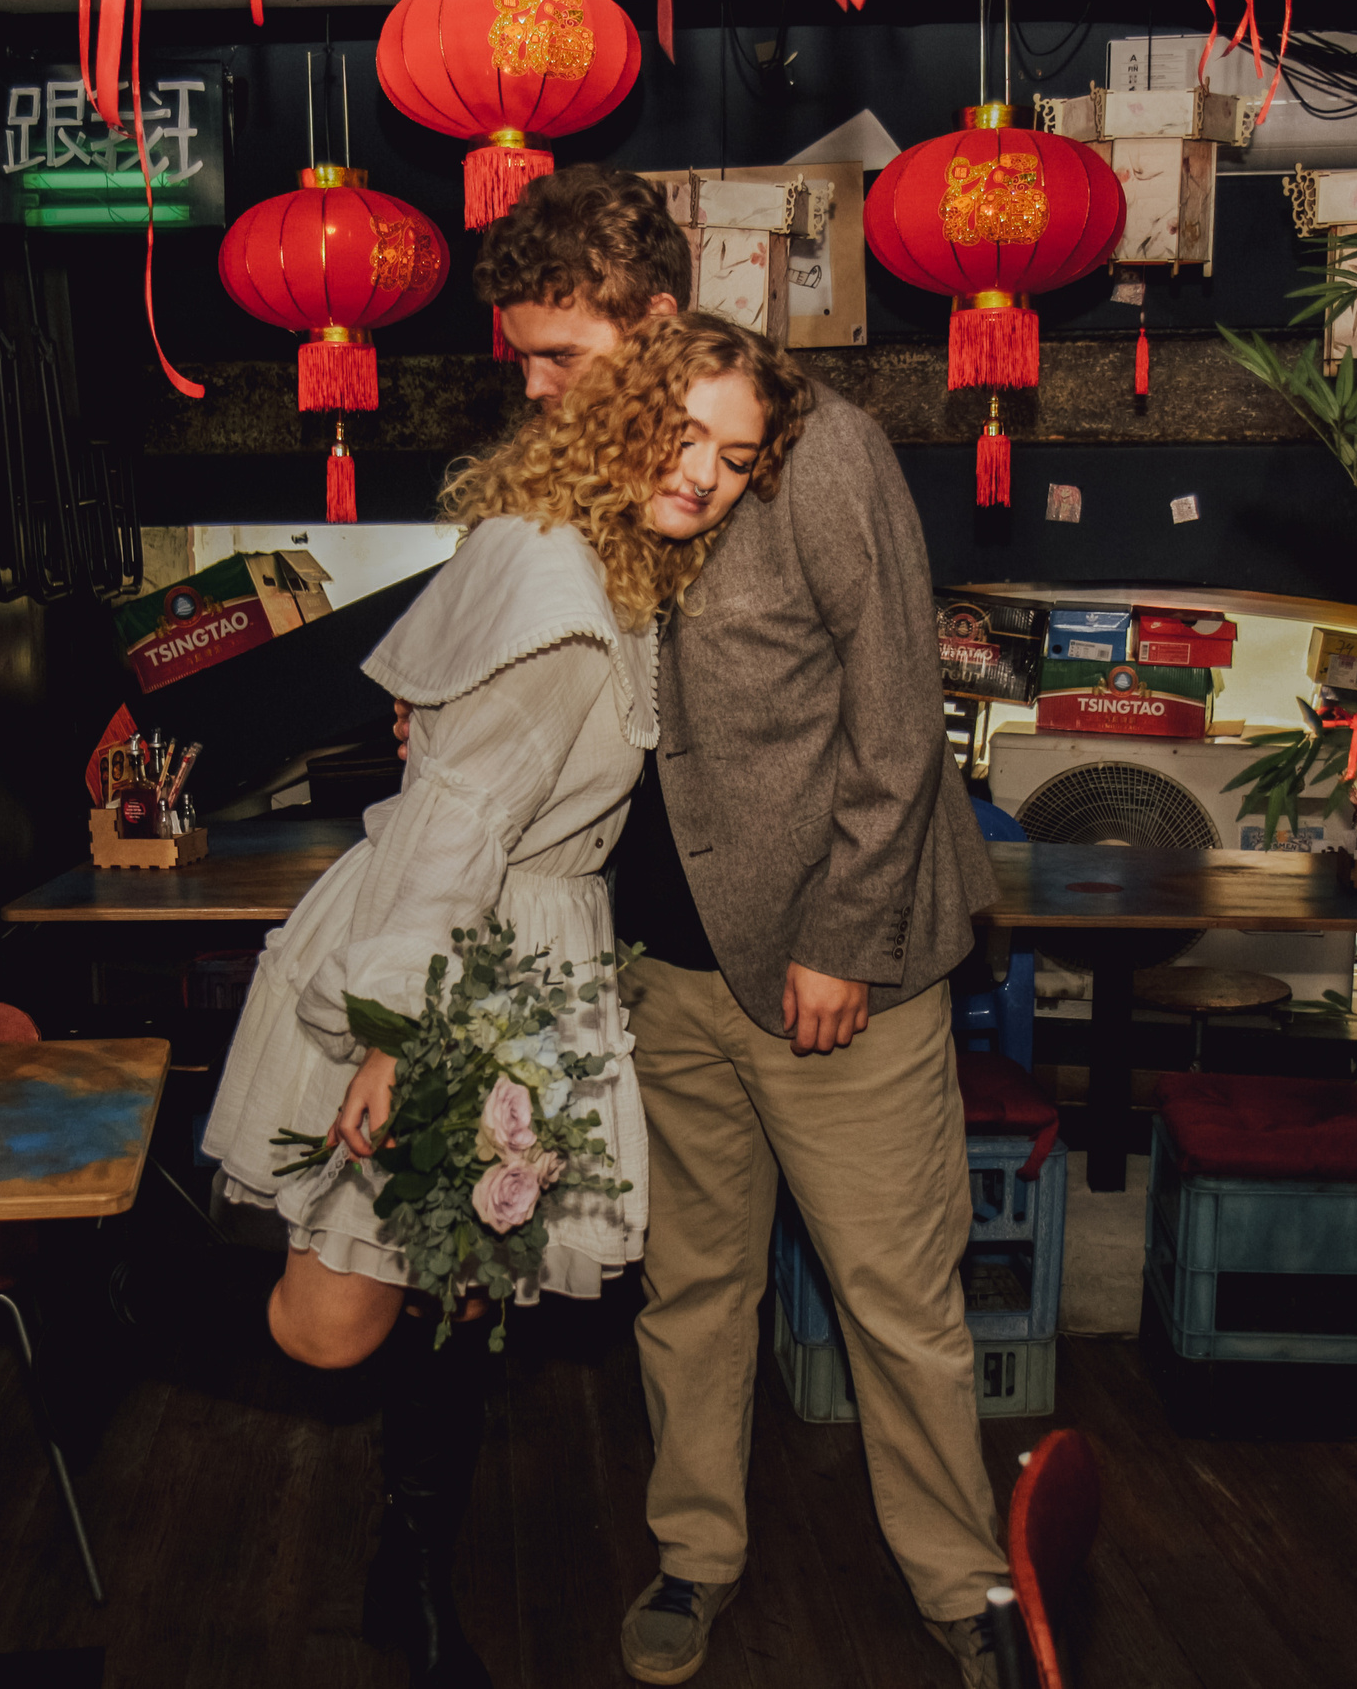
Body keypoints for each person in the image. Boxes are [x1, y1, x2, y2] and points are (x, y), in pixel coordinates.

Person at [204, 310, 809, 1689]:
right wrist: (393, 1038)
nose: (707, 474)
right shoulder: (563, 594)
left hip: (533, 958)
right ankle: (115, 1288)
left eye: (737, 456)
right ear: (619, 413)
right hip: (454, 959)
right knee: (333, 1324)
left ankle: (408, 1580)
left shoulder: (596, 553)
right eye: (684, 435)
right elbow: (456, 821)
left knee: (461, 1290)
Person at [475, 165, 1012, 1689]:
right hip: (660, 966)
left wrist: (840, 939)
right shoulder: (573, 463)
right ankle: (696, 1556)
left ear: (655, 321)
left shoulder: (814, 448)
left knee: (895, 1304)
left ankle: (965, 1592)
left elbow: (902, 716)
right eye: (524, 354)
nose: (535, 382)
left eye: (562, 352)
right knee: (691, 1287)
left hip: (836, 964)